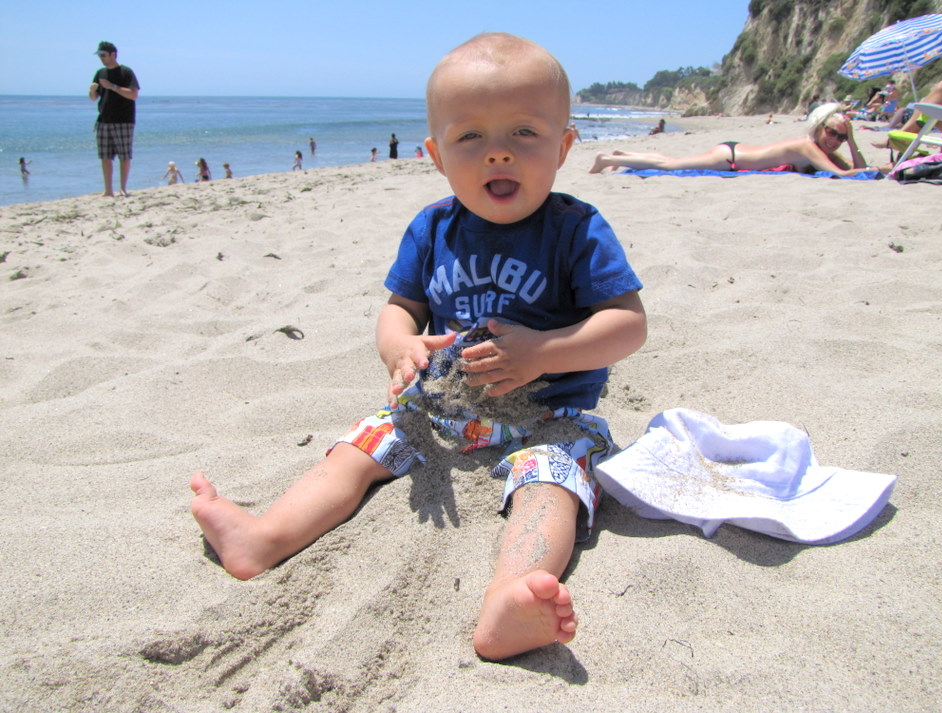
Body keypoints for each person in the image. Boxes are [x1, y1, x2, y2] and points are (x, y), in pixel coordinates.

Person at [189, 32, 647, 662]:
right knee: (358, 450)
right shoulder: (433, 229)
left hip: (550, 416)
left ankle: (511, 599)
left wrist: (543, 350)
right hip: (440, 412)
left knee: (551, 483)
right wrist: (399, 345)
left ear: (564, 146)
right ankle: (263, 537)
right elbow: (398, 308)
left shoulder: (577, 230)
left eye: (524, 133)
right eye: (471, 137)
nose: (498, 154)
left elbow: (628, 325)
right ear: (435, 155)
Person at [589, 103, 878, 176]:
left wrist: (853, 139)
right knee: (669, 166)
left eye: (841, 136)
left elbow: (854, 168)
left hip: (733, 151)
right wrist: (872, 168)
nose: (835, 139)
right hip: (730, 159)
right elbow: (845, 174)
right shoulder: (807, 146)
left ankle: (622, 154)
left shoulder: (815, 149)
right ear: (819, 127)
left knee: (672, 161)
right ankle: (608, 159)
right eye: (831, 132)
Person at [88, 41, 140, 197]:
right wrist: (92, 90)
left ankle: (123, 188)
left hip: (123, 120)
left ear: (113, 54)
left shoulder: (126, 72)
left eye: (103, 55)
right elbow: (94, 98)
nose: (101, 58)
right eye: (100, 55)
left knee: (124, 156)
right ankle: (108, 190)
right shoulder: (100, 73)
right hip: (104, 120)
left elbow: (133, 94)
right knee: (105, 156)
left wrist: (113, 86)